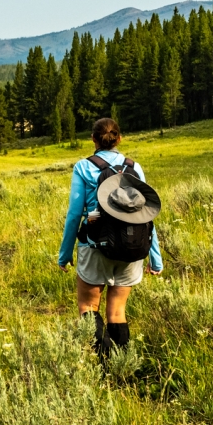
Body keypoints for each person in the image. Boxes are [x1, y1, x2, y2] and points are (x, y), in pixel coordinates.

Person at [56, 117, 162, 357]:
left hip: (94, 244)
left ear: (93, 139)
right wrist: (156, 258)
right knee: (117, 312)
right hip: (132, 244)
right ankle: (121, 365)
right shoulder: (134, 166)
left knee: (88, 307)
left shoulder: (83, 167)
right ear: (119, 138)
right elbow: (145, 214)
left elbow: (75, 214)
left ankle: (102, 366)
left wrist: (64, 255)